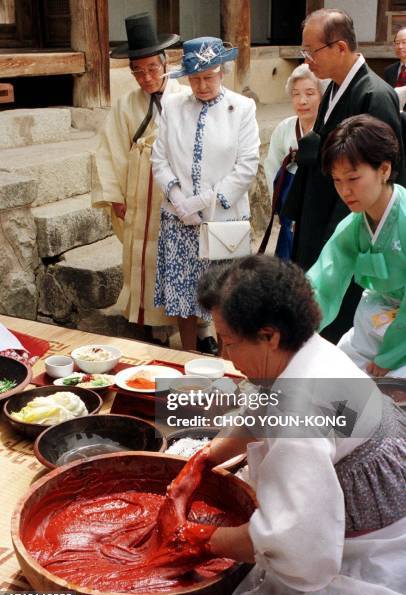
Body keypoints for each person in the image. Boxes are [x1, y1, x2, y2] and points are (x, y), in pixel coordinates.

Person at [194, 254, 406, 595]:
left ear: (269, 336)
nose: (226, 356)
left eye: (228, 343)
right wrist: (206, 457)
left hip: (375, 552)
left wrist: (197, 537)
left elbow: (293, 539)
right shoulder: (310, 349)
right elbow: (262, 412)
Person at [91, 14, 216, 353]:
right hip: (137, 190)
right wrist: (116, 195)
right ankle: (151, 325)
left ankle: (201, 330)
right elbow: (110, 149)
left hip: (176, 192)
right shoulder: (125, 105)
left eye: (151, 68)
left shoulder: (184, 95)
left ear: (165, 63)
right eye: (138, 71)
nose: (146, 77)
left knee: (186, 261)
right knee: (144, 255)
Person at [283, 8, 406, 343]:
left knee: (343, 320)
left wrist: (343, 230)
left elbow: (385, 173)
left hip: (346, 224)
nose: (307, 61)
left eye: (312, 51)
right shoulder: (336, 90)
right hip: (321, 214)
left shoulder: (374, 94)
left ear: (339, 47)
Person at [151, 37, 260, 351]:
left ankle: (228, 361)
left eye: (209, 77)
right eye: (195, 79)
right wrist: (178, 198)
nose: (201, 85)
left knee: (226, 294)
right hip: (179, 217)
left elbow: (247, 164)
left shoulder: (241, 108)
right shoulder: (172, 106)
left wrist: (205, 200)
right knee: (183, 294)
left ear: (222, 72)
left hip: (223, 221)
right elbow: (159, 158)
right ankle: (187, 355)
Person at [307, 114, 406, 378]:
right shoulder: (353, 227)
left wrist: (389, 357)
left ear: (384, 170)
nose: (344, 191)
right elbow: (323, 283)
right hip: (373, 322)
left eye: (352, 179)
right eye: (337, 180)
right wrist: (296, 329)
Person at [263, 64, 323, 259]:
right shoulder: (284, 128)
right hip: (290, 199)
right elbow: (272, 166)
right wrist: (279, 206)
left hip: (317, 198)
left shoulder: (328, 128)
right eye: (296, 94)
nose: (302, 100)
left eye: (309, 93)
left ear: (322, 95)